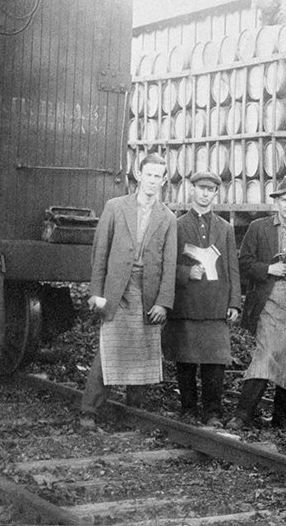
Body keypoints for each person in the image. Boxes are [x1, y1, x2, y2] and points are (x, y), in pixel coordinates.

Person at [80, 153, 177, 429]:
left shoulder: (168, 218)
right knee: (108, 350)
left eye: (158, 176)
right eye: (149, 175)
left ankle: (134, 414)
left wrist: (163, 302)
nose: (152, 181)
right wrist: (95, 293)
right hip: (116, 291)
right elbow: (100, 254)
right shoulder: (115, 207)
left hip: (147, 294)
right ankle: (89, 411)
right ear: (139, 175)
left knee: (144, 352)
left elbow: (169, 265)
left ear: (164, 180)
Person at [226, 178, 286, 430]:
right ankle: (243, 414)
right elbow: (244, 263)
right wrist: (269, 268)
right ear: (276, 202)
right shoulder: (259, 228)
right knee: (266, 354)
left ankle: (282, 418)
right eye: (284, 201)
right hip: (267, 299)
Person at [162, 171, 240, 428]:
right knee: (185, 359)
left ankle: (212, 412)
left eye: (211, 190)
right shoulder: (177, 225)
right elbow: (165, 265)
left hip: (216, 305)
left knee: (215, 362)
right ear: (191, 190)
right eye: (201, 189)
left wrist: (234, 303)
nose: (205, 194)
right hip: (187, 303)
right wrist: (186, 272)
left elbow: (232, 267)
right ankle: (187, 409)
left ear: (216, 193)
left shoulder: (225, 228)